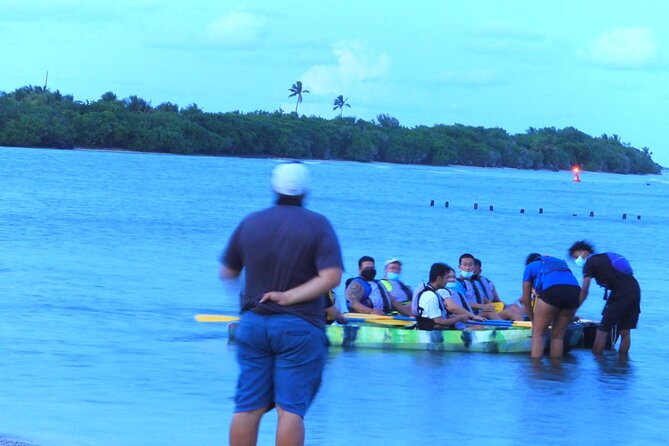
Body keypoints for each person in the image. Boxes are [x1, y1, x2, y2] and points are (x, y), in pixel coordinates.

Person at [220, 161, 344, 446]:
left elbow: (228, 272)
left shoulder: (251, 221)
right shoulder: (318, 224)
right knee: (290, 410)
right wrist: (289, 297)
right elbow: (331, 276)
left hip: (252, 323)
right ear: (305, 190)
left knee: (247, 406)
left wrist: (248, 300)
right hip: (299, 327)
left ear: (273, 187)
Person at [568, 240, 640, 355]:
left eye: (577, 257)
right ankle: (622, 364)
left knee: (602, 330)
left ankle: (597, 361)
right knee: (625, 331)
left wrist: (573, 310)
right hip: (635, 289)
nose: (577, 261)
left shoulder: (590, 263)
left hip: (621, 292)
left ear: (585, 252)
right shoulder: (602, 258)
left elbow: (585, 290)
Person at [521, 253, 581, 358]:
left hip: (553, 289)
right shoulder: (558, 262)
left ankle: (535, 369)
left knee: (538, 333)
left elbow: (526, 301)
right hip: (575, 291)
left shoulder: (530, 267)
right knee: (558, 336)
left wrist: (534, 321)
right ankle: (555, 370)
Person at [344, 256, 413, 317]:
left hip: (385, 317)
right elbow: (353, 303)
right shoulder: (357, 284)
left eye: (372, 268)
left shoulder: (379, 284)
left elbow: (393, 302)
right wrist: (372, 312)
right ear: (359, 270)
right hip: (367, 319)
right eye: (367, 268)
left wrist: (410, 315)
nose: (369, 270)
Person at [411, 263, 470, 330]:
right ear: (439, 278)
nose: (447, 281)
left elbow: (441, 316)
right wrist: (459, 318)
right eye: (446, 278)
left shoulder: (435, 292)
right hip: (432, 333)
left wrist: (459, 316)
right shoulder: (430, 296)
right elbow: (439, 321)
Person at [455, 253, 501, 319]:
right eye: (464, 265)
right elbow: (461, 303)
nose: (467, 268)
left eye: (470, 265)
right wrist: (482, 306)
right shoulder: (457, 284)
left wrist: (490, 305)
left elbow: (484, 299)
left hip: (482, 314)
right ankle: (506, 328)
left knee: (514, 308)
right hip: (470, 316)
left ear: (474, 267)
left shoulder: (477, 283)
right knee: (490, 314)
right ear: (459, 267)